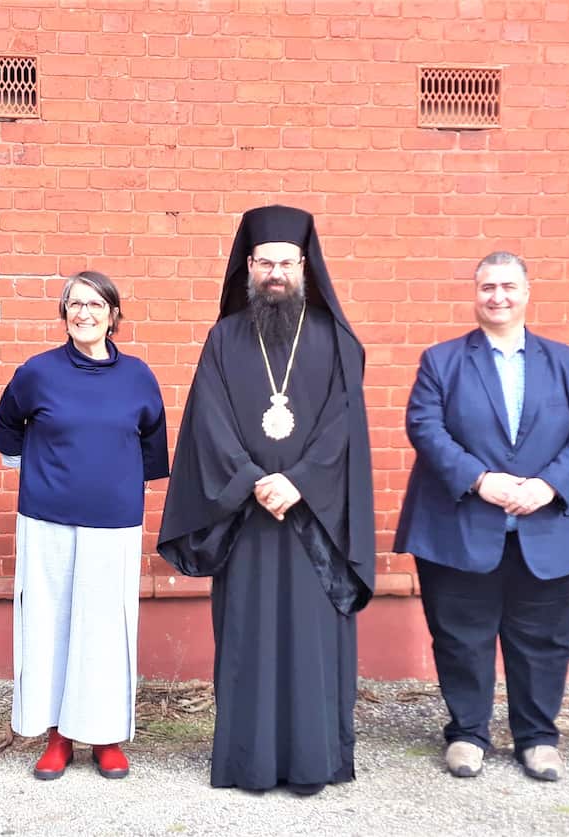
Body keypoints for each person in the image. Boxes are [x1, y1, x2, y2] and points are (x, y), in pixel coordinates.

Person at [157, 205, 375, 796]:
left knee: (311, 640)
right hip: (248, 518)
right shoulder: (224, 337)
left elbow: (345, 422)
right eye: (264, 262)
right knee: (248, 637)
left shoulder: (335, 339)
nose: (275, 272)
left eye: (286, 261)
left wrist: (299, 479)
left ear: (304, 266)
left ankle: (314, 760)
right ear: (247, 266)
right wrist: (254, 478)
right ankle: (247, 763)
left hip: (314, 519)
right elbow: (208, 419)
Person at [393, 252, 569, 783]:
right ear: (476, 293)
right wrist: (479, 479)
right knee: (461, 636)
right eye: (487, 287)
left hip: (548, 525)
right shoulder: (442, 360)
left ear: (527, 292)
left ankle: (537, 738)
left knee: (545, 638)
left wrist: (548, 484)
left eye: (508, 286)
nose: (498, 296)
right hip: (462, 525)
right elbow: (425, 426)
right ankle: (467, 733)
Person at [0, 270, 169, 781]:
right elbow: (8, 426)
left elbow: (151, 444)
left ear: (114, 315)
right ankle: (57, 735)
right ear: (64, 313)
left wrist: (119, 481)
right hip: (46, 519)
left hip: (113, 521)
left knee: (106, 629)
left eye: (95, 305)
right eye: (75, 305)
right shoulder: (37, 372)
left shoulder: (138, 376)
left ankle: (106, 735)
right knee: (51, 625)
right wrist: (39, 469)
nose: (84, 313)